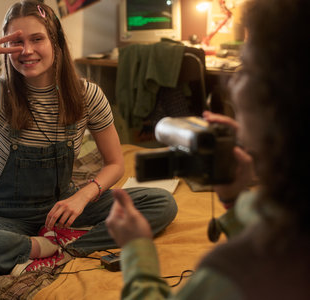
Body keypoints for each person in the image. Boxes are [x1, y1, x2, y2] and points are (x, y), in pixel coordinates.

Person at [0, 0, 177, 276]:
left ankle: (71, 246)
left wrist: (81, 197)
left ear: (56, 42)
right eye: (16, 42)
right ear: (5, 47)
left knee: (160, 203)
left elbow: (115, 163)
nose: (26, 51)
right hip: (7, 217)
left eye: (37, 39)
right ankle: (43, 247)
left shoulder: (88, 95)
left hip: (64, 209)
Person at [106, 0, 310, 299]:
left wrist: (137, 249)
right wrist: (235, 198)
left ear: (276, 102)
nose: (232, 84)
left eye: (246, 70)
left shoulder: (229, 273)